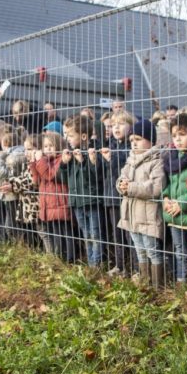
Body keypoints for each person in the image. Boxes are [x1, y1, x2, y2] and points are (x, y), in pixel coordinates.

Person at [117, 118, 166, 288]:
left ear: (150, 140)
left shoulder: (156, 160)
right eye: (131, 140)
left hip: (148, 216)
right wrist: (121, 185)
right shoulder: (131, 160)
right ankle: (146, 283)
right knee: (140, 251)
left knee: (152, 251)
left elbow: (155, 187)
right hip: (131, 215)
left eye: (138, 139)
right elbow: (122, 177)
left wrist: (130, 187)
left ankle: (158, 286)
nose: (134, 143)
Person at [161, 112, 187, 286]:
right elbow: (168, 183)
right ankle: (181, 281)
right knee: (179, 251)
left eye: (182, 135)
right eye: (174, 135)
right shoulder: (171, 158)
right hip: (174, 216)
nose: (177, 139)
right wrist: (166, 197)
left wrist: (181, 204)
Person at [60, 114, 102, 266]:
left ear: (83, 136)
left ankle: (96, 264)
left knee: (95, 234)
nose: (68, 139)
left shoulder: (93, 152)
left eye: (71, 135)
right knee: (86, 234)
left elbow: (95, 177)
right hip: (76, 201)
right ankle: (91, 261)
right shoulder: (71, 154)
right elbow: (64, 179)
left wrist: (84, 162)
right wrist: (64, 164)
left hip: (91, 200)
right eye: (67, 135)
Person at [99, 110, 136, 276]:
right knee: (117, 234)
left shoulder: (130, 147)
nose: (116, 128)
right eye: (113, 125)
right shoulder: (112, 146)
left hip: (124, 197)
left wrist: (111, 159)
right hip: (111, 197)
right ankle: (120, 266)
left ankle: (134, 268)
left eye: (120, 124)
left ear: (130, 126)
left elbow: (122, 171)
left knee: (129, 234)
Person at [31, 132, 75, 261]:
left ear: (59, 146)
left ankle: (69, 259)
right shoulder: (45, 161)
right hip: (49, 206)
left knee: (65, 234)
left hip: (60, 204)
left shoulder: (60, 160)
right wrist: (34, 164)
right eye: (46, 146)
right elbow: (36, 181)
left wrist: (40, 161)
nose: (48, 149)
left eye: (51, 145)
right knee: (55, 234)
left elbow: (50, 175)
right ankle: (59, 258)